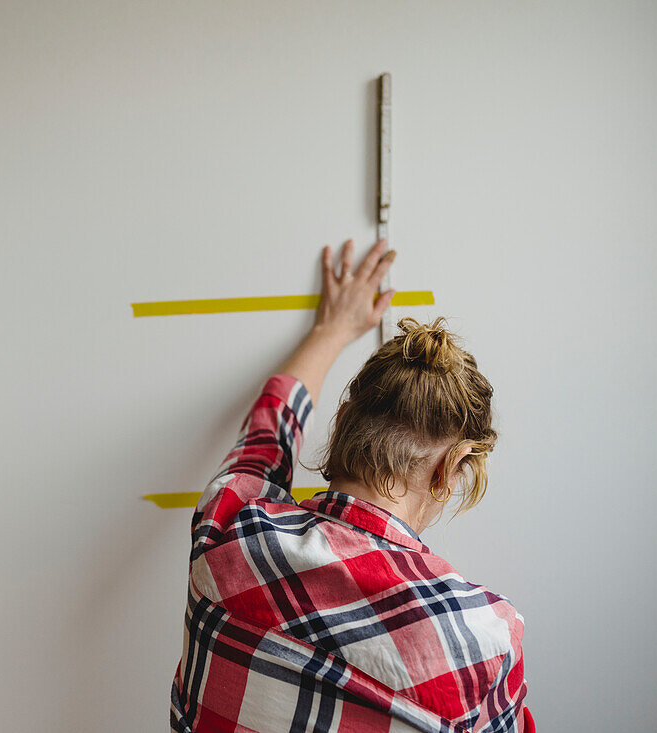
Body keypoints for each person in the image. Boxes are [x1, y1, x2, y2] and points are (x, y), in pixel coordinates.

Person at [170, 239, 533, 733]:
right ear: (452, 468)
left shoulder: (227, 534)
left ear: (342, 421)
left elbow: (268, 431)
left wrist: (332, 329)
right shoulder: (482, 644)